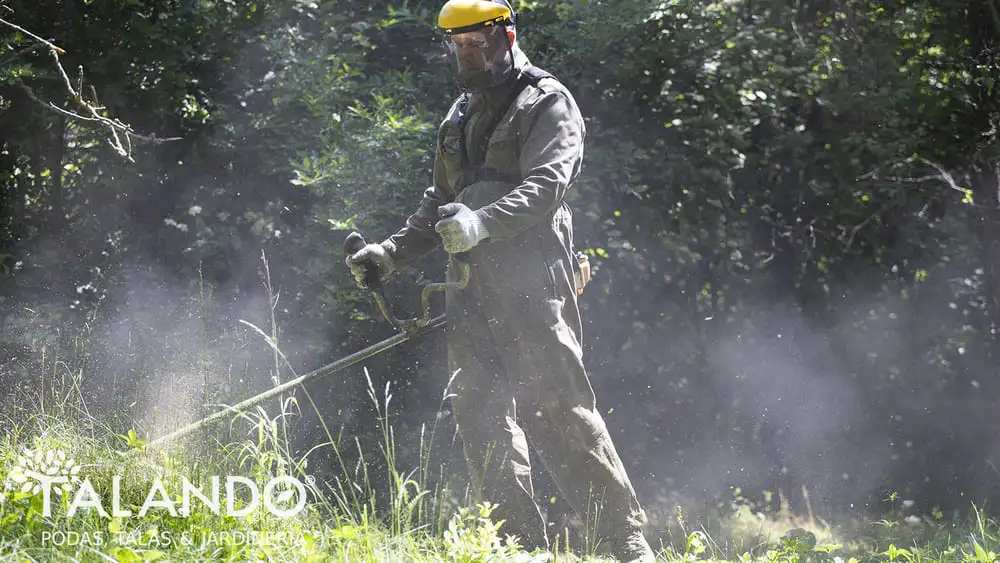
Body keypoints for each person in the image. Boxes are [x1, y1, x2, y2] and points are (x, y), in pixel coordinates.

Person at [346, 0, 655, 560]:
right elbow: (437, 205)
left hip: (534, 283)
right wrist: (389, 255)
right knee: (478, 413)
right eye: (458, 45)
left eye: (477, 42)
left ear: (505, 34)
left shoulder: (547, 102)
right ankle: (516, 547)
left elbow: (547, 186)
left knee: (558, 410)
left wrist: (482, 220)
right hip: (470, 287)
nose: (468, 53)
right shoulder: (458, 115)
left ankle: (626, 545)